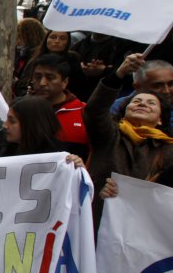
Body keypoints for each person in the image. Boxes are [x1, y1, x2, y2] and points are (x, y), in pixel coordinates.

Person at [85, 54, 173, 230]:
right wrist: (118, 74)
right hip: (98, 220)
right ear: (124, 111)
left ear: (160, 119)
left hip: (142, 228)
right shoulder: (109, 136)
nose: (143, 104)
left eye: (151, 104)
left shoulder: (168, 150)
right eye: (137, 101)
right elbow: (95, 110)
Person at [26, 53, 88, 157]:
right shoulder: (22, 110)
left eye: (50, 78)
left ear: (64, 82)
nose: (42, 83)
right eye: (37, 77)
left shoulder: (84, 111)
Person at [109, 56, 173, 128]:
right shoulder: (117, 108)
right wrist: (119, 73)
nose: (167, 91)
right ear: (137, 87)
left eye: (171, 84)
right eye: (157, 86)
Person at [16, 29, 82, 98]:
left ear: (68, 42)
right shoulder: (34, 56)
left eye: (62, 38)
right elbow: (22, 86)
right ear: (46, 39)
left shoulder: (73, 59)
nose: (57, 41)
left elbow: (78, 87)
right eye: (53, 37)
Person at [13, 18, 48, 95]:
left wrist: (15, 83)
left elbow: (24, 84)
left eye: (19, 35)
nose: (17, 40)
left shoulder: (36, 57)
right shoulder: (22, 54)